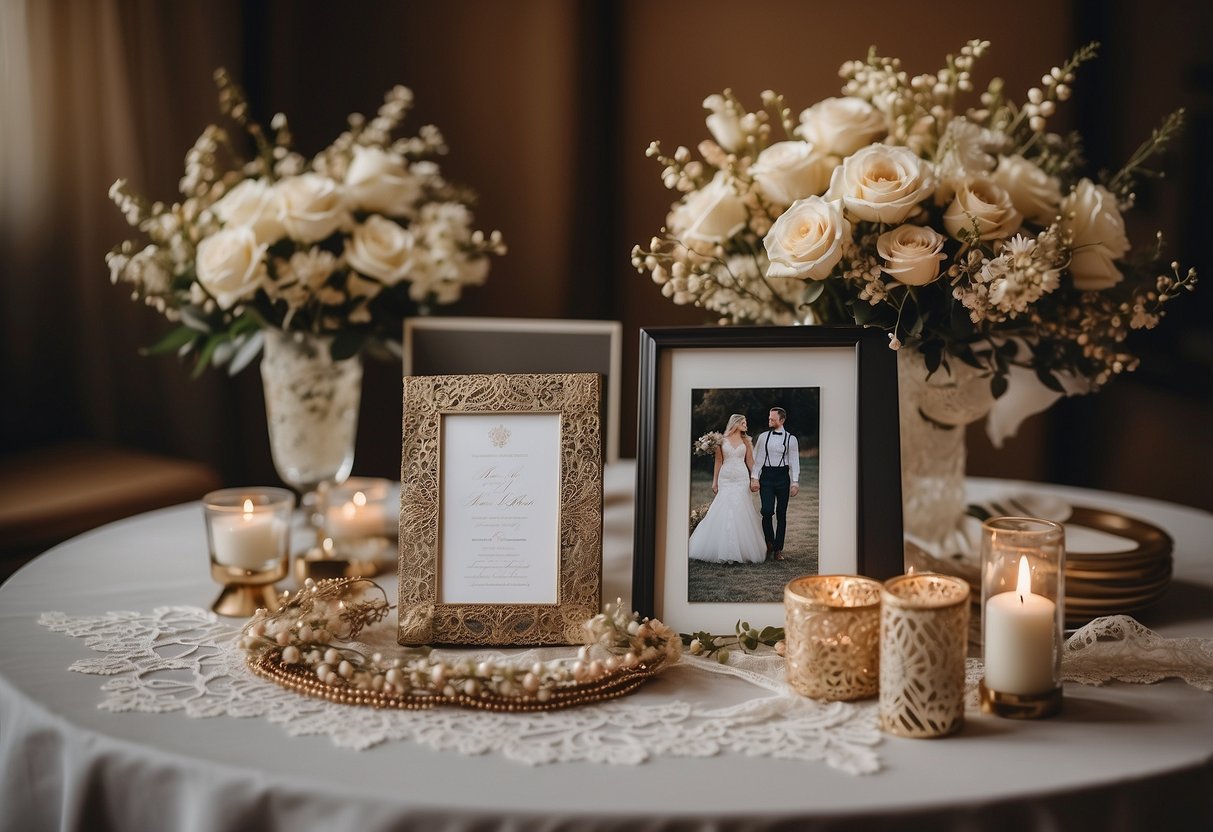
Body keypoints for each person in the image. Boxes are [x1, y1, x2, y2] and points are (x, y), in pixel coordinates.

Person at [688, 414, 767, 564]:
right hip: (725, 478)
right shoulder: (720, 441)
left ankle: (741, 549)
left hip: (741, 478)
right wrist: (715, 482)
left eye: (746, 422)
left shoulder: (746, 441)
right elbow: (718, 461)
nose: (746, 425)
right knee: (723, 508)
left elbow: (750, 461)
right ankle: (721, 548)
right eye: (744, 423)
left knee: (740, 508)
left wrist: (754, 478)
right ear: (736, 423)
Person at [751, 407, 799, 561]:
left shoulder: (791, 439)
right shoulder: (763, 437)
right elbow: (758, 459)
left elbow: (794, 462)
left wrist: (795, 482)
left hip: (782, 477)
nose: (769, 421)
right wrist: (754, 478)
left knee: (781, 514)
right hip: (766, 477)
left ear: (782, 420)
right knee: (766, 511)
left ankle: (778, 549)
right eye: (769, 418)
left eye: (772, 419)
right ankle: (769, 542)